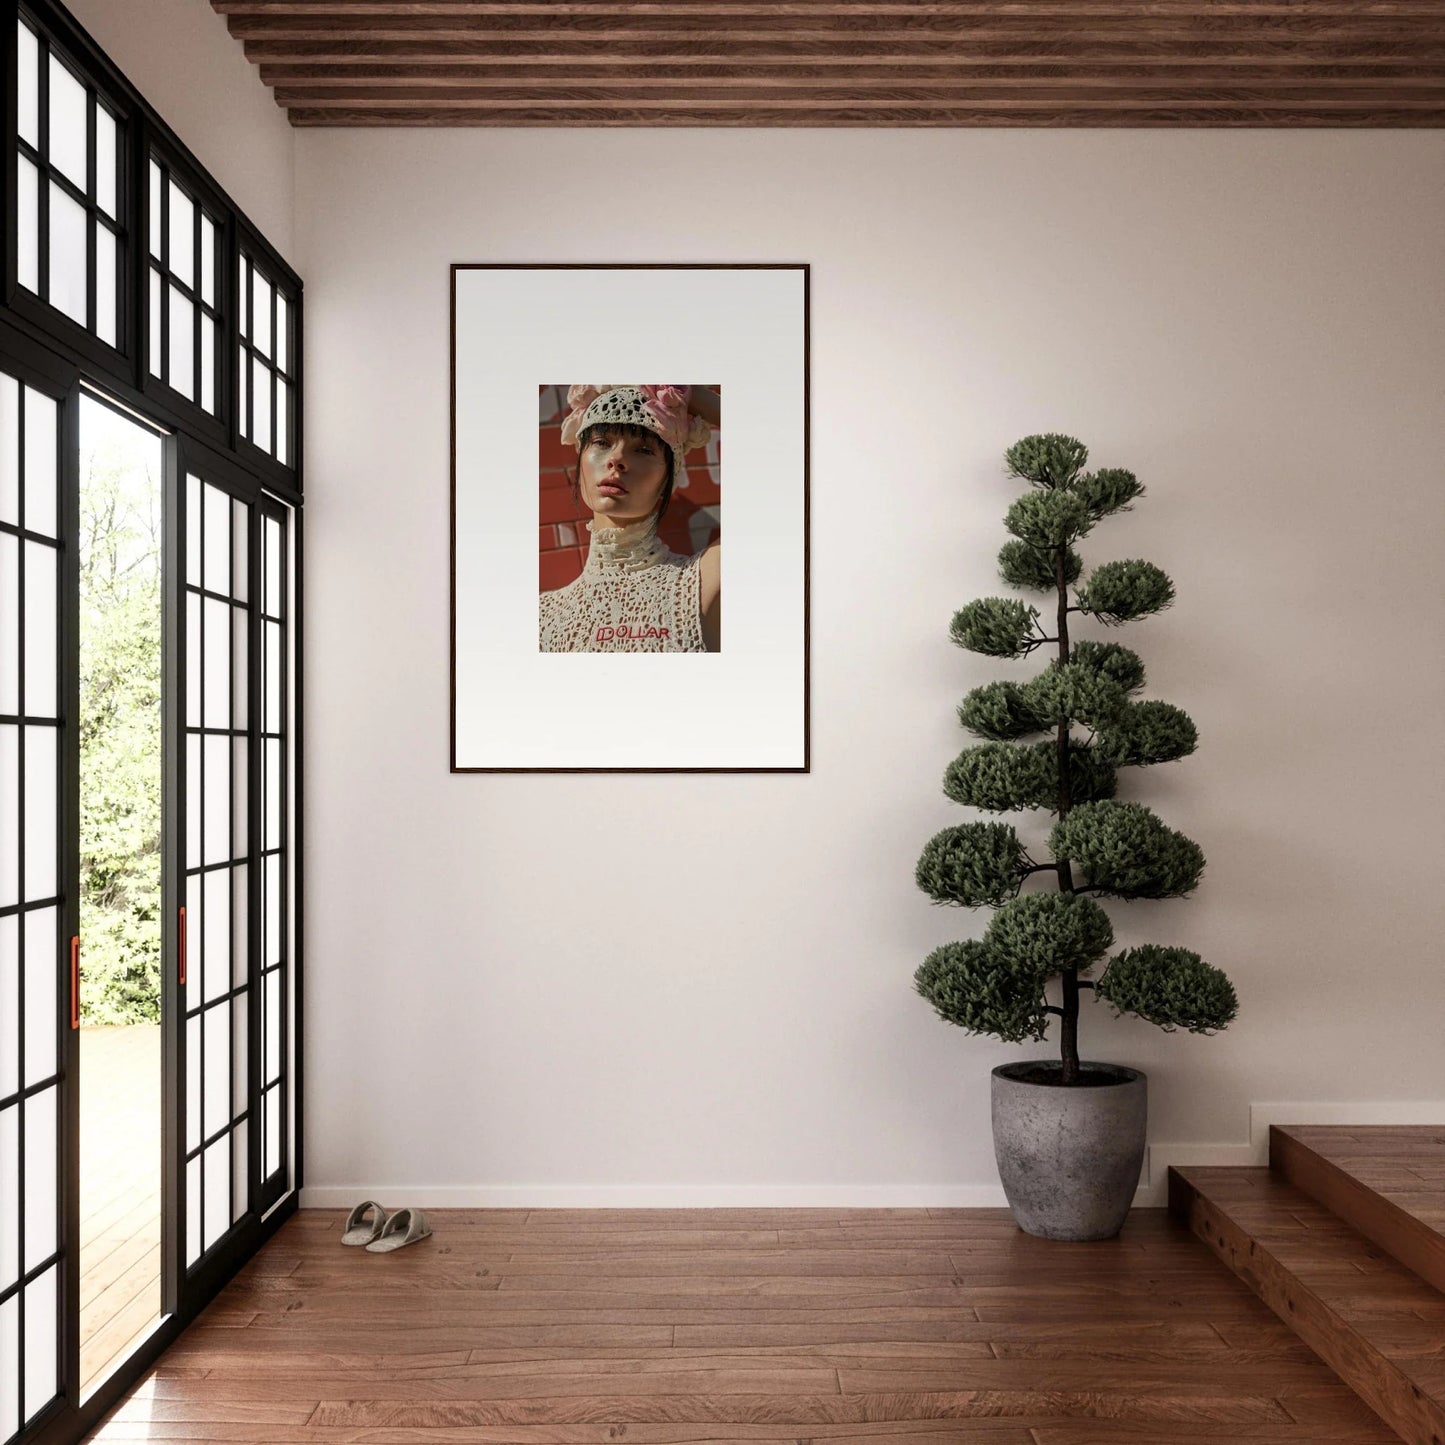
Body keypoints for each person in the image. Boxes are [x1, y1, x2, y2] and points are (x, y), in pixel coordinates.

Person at [539, 384, 721, 653]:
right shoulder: (543, 616)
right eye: (601, 442)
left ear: (666, 480)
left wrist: (685, 391)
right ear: (580, 463)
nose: (616, 458)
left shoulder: (699, 584)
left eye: (644, 449)